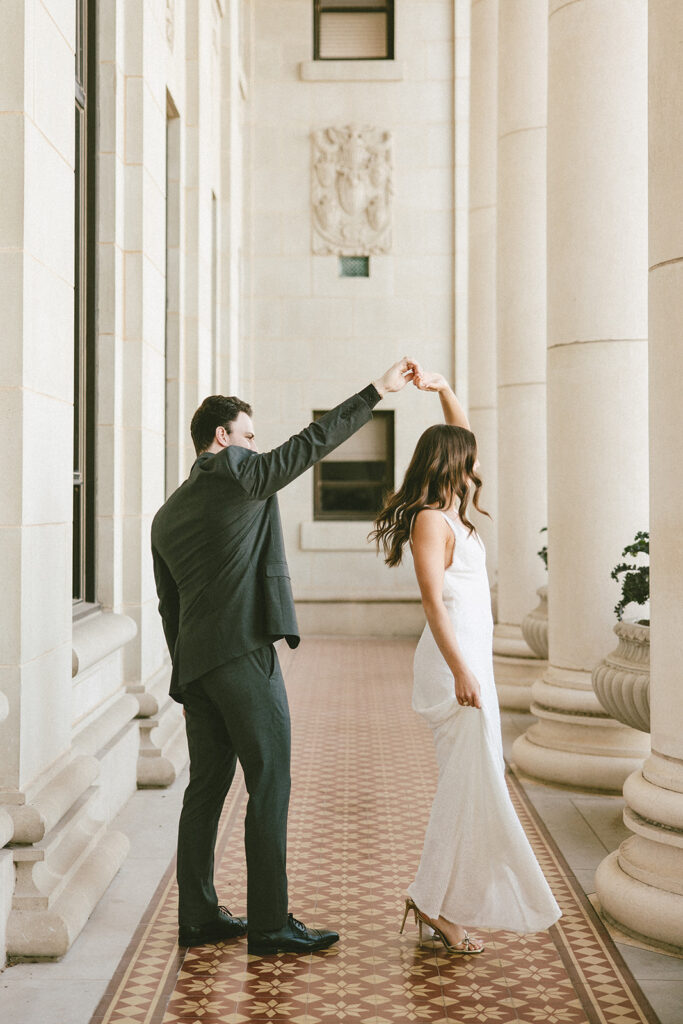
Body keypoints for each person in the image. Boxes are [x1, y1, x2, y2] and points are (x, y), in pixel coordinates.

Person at [151, 358, 420, 955]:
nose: (255, 447)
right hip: (243, 652)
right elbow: (310, 445)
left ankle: (197, 917)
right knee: (270, 781)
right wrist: (376, 390)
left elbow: (169, 606)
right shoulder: (237, 472)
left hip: (197, 665)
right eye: (248, 436)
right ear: (222, 439)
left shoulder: (166, 514)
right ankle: (270, 924)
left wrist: (187, 676)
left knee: (206, 791)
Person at [371, 370, 561, 955]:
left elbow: (462, 431)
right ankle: (436, 904)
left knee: (471, 786)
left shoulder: (452, 510)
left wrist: (444, 386)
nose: (476, 467)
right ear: (451, 466)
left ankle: (435, 900)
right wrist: (461, 671)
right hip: (456, 668)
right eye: (468, 460)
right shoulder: (432, 520)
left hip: (474, 665)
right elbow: (432, 603)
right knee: (470, 787)